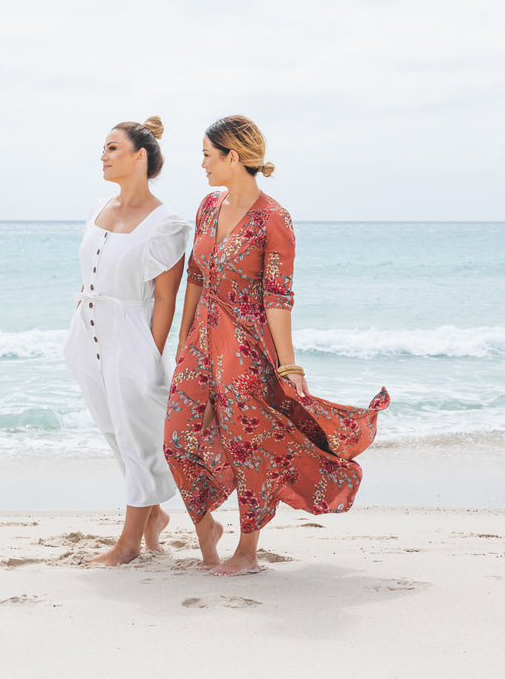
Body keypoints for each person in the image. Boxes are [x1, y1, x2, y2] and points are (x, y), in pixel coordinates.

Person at [164, 115, 390, 575]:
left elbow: (278, 298)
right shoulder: (207, 206)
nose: (201, 163)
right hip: (200, 344)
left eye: (208, 154)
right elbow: (195, 278)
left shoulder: (274, 219)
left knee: (249, 446)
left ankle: (247, 549)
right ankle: (206, 525)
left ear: (233, 157)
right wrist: (181, 340)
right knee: (176, 438)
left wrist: (288, 368)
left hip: (246, 347)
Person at [63, 116, 192, 566]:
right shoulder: (100, 207)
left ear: (141, 157)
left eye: (112, 148)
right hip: (88, 335)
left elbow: (165, 298)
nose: (103, 155)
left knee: (139, 438)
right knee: (114, 432)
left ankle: (129, 543)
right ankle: (154, 517)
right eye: (103, 147)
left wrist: (149, 355)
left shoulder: (167, 224)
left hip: (131, 337)